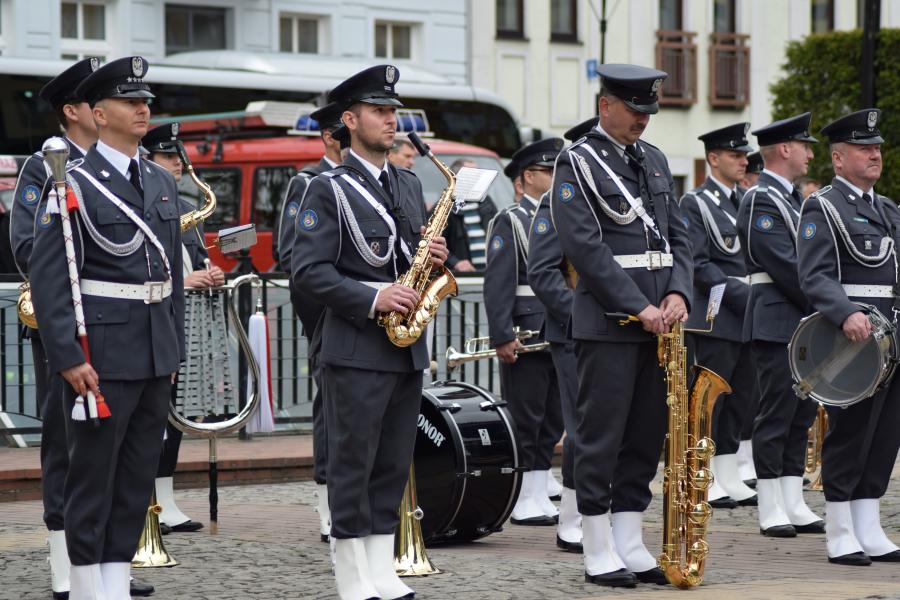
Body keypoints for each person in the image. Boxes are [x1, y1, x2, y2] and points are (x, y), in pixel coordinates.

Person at [29, 55, 184, 600]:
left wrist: (173, 353)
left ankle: (116, 582)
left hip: (151, 353)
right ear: (98, 113)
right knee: (91, 480)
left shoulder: (162, 185)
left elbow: (172, 280)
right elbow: (50, 279)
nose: (144, 109)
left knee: (135, 479)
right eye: (129, 101)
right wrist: (68, 356)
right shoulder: (71, 181)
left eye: (146, 101)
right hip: (101, 352)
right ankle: (88, 587)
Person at [291, 64, 448, 600]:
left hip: (405, 347)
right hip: (356, 345)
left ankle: (383, 566)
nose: (391, 119)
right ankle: (351, 573)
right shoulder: (325, 188)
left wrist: (431, 261)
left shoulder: (405, 181)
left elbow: (403, 255)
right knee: (352, 463)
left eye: (393, 110)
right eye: (380, 111)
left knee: (392, 461)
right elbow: (308, 271)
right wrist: (373, 295)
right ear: (350, 121)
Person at [551, 64, 693, 588]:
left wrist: (678, 291)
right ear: (604, 104)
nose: (642, 121)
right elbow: (585, 248)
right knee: (599, 436)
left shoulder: (653, 161)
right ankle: (596, 544)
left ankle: (630, 539)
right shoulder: (578, 162)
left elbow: (680, 235)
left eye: (648, 112)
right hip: (611, 323)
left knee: (643, 435)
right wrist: (641, 306)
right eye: (634, 110)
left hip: (661, 325)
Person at [797, 109, 900, 565]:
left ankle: (868, 523)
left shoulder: (887, 208)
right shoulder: (823, 206)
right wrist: (845, 313)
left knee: (885, 434)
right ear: (838, 159)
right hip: (853, 338)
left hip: (892, 336)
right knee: (851, 432)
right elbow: (815, 275)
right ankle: (840, 530)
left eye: (876, 148)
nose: (875, 155)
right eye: (864, 148)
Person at [736, 112, 823, 539]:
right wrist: (827, 303)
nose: (810, 152)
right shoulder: (760, 199)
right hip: (776, 317)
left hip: (801, 320)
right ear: (785, 149)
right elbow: (785, 266)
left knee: (800, 413)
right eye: (804, 145)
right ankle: (770, 503)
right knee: (775, 412)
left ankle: (792, 498)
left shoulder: (791, 199)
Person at [142, 122, 225, 534]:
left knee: (174, 414)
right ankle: (146, 505)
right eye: (168, 156)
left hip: (186, 320)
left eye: (179, 157)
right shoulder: (146, 198)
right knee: (152, 415)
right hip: (154, 318)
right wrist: (185, 281)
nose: (178, 163)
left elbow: (192, 258)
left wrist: (210, 272)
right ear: (149, 158)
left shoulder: (182, 206)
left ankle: (166, 497)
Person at [524, 118, 597, 552]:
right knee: (581, 427)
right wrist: (580, 315)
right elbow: (543, 271)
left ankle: (602, 513)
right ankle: (572, 517)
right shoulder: (559, 198)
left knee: (615, 428)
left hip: (620, 329)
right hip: (575, 331)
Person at [485, 137, 565, 527]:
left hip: (559, 327)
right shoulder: (510, 220)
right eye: (547, 171)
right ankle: (522, 495)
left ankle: (537, 489)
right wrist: (502, 333)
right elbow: (498, 282)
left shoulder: (561, 216)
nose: (553, 177)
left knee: (553, 416)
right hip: (526, 327)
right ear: (526, 178)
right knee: (526, 415)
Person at [679, 123, 758, 509]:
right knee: (710, 400)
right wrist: (741, 295)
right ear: (714, 159)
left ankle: (727, 471)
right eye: (735, 155)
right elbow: (698, 262)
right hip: (718, 314)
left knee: (742, 397)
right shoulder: (696, 202)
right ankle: (703, 474)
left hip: (747, 313)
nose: (743, 161)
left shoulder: (746, 199)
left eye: (744, 155)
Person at [276, 100, 344, 543]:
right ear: (328, 137)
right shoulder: (309, 182)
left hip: (375, 319)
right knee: (330, 415)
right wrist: (322, 317)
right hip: (331, 316)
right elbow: (291, 255)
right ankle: (327, 505)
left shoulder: (365, 182)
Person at [441, 158, 498, 272]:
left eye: (479, 174)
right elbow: (435, 244)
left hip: (490, 272)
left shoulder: (487, 203)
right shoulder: (445, 207)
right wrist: (455, 262)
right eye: (473, 174)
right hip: (464, 278)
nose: (478, 178)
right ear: (457, 177)